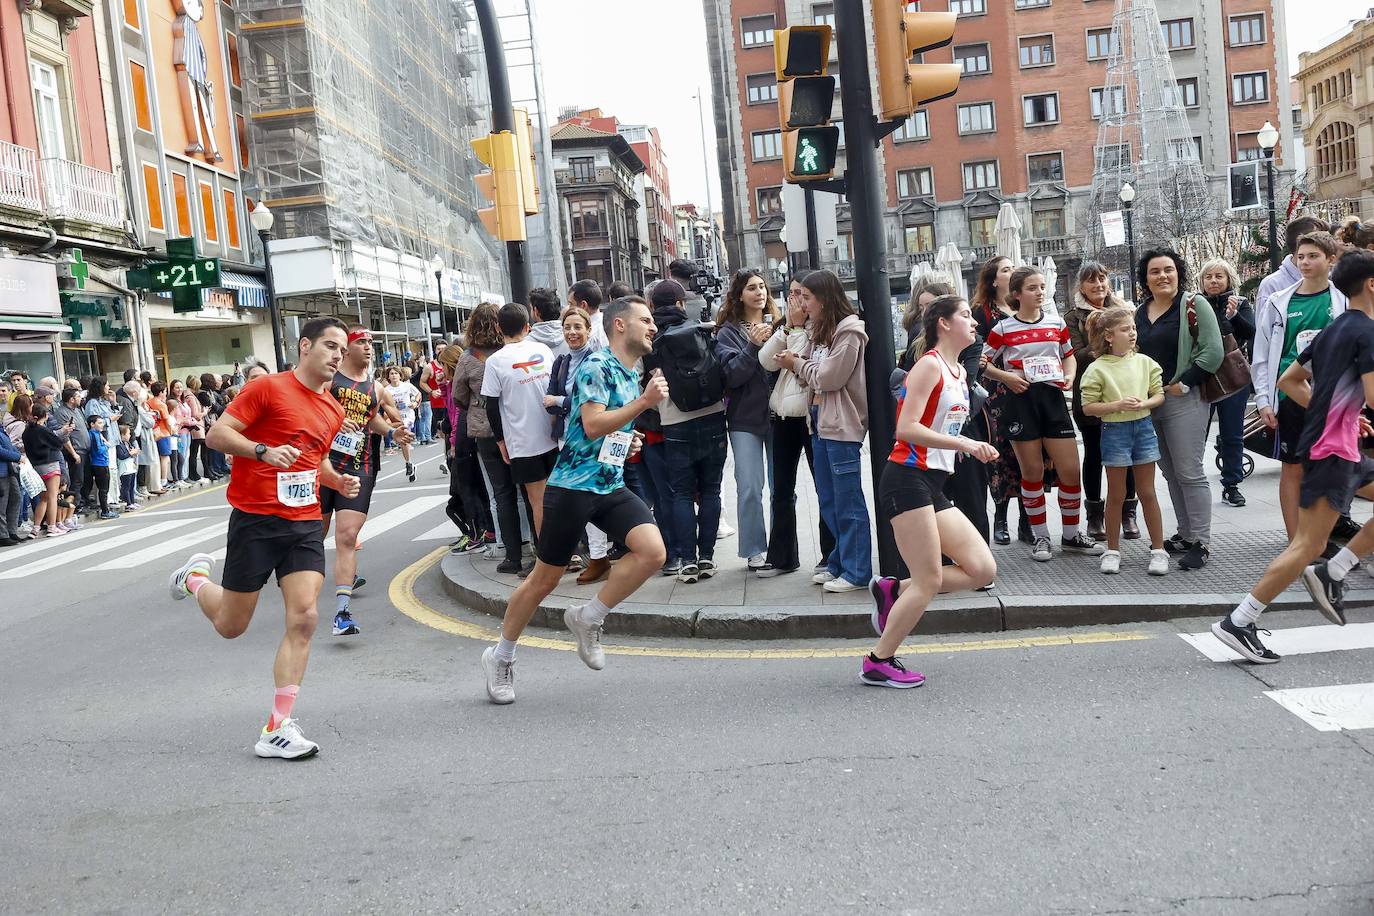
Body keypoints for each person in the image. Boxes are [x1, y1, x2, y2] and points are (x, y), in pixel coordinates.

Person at [166, 317, 359, 759]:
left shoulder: (333, 408)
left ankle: (277, 726)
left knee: (306, 617)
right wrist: (263, 451)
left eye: (340, 348)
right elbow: (216, 434)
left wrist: (337, 481)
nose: (336, 355)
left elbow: (317, 461)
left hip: (305, 522)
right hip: (256, 520)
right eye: (329, 345)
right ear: (305, 345)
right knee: (232, 626)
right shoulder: (268, 388)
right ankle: (195, 578)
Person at [481, 297, 670, 705]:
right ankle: (501, 656)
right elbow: (591, 422)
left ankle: (588, 618)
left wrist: (629, 438)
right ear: (620, 324)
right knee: (544, 581)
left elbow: (605, 431)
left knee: (652, 552)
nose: (653, 327)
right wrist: (643, 404)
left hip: (609, 483)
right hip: (572, 488)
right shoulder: (597, 366)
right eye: (646, 320)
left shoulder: (630, 370)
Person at [1213, 249, 1374, 663]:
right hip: (1333, 450)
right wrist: (1344, 416)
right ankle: (1240, 620)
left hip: (1335, 443)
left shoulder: (1335, 329)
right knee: (1306, 544)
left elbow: (1290, 379)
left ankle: (1332, 571)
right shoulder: (1367, 333)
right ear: (1371, 285)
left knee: (1312, 542)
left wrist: (1340, 413)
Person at [864, 295, 998, 688]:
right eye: (966, 316)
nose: (974, 323)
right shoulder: (928, 366)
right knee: (929, 580)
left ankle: (892, 589)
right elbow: (904, 429)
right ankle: (878, 661)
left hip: (931, 483)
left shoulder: (958, 371)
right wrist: (967, 446)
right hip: (906, 478)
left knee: (982, 568)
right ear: (943, 323)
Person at [982, 266, 1102, 562]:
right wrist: (1007, 377)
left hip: (1052, 399)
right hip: (1021, 402)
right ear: (1017, 294)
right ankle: (1041, 537)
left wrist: (1071, 377)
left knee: (1071, 471)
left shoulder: (1056, 322)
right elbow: (983, 362)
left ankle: (1072, 534)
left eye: (1042, 287)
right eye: (1033, 288)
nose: (1040, 292)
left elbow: (1068, 355)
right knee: (1032, 472)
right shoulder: (1003, 328)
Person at [775, 269, 872, 592]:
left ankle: (857, 571)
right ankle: (838, 563)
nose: (802, 303)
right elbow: (814, 375)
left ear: (824, 298)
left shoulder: (850, 330)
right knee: (829, 499)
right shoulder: (822, 330)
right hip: (818, 419)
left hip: (842, 423)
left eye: (806, 296)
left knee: (847, 500)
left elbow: (830, 378)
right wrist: (802, 365)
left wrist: (798, 364)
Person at [1252, 231, 1348, 540]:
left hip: (1335, 399)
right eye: (1300, 256)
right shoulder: (1280, 302)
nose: (1305, 262)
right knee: (1292, 468)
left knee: (1331, 469)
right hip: (1291, 397)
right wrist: (1264, 400)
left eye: (1313, 256)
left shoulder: (1344, 300)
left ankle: (1321, 536)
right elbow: (1262, 354)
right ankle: (1296, 542)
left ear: (1330, 260)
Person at [1134, 249, 1223, 571]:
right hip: (1151, 402)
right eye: (1154, 271)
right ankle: (1185, 534)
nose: (1162, 276)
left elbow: (1212, 351)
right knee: (1170, 472)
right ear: (1145, 278)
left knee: (1189, 471)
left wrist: (1183, 383)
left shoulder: (1193, 304)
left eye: (1168, 270)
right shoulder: (1139, 312)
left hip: (1184, 398)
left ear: (1178, 272)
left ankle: (1201, 541)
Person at [320, 326, 411, 637]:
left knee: (346, 536)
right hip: (321, 466)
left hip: (359, 467)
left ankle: (342, 611)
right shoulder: (329, 380)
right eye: (362, 342)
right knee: (312, 535)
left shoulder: (374, 387)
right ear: (347, 349)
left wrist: (391, 432)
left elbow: (371, 417)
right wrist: (332, 421)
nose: (369, 347)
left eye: (371, 342)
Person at [646, 279, 727, 583]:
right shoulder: (702, 330)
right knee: (711, 490)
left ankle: (686, 561)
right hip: (713, 417)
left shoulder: (652, 341)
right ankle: (707, 557)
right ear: (681, 303)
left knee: (680, 492)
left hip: (674, 421)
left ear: (653, 306)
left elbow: (647, 391)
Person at [1078, 306, 1169, 575]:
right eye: (1125, 329)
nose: (1132, 333)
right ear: (1108, 336)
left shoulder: (1145, 362)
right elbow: (1088, 407)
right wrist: (1117, 405)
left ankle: (1158, 549)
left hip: (1142, 427)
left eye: (1133, 328)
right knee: (1116, 494)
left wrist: (1144, 403)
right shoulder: (1097, 368)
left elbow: (1159, 395)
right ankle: (1112, 550)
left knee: (1147, 492)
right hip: (1114, 431)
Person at [758, 272, 836, 576]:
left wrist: (799, 329)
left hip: (812, 417)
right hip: (783, 416)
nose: (796, 301)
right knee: (780, 489)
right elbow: (766, 360)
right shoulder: (789, 326)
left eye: (801, 295)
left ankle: (830, 555)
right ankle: (782, 556)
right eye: (791, 294)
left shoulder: (827, 327)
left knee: (823, 488)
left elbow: (803, 362)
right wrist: (789, 326)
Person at [455, 304, 532, 571]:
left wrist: (477, 404)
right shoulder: (511, 352)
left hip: (486, 431)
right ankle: (534, 543)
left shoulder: (468, 358)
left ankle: (511, 554)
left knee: (500, 492)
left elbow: (458, 397)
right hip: (516, 425)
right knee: (528, 489)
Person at [715, 268, 781, 570]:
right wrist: (753, 345)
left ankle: (782, 546)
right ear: (739, 295)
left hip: (779, 415)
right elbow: (732, 376)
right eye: (752, 288)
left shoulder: (779, 325)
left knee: (782, 487)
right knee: (750, 487)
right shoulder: (728, 332)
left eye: (762, 287)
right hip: (744, 418)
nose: (760, 292)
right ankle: (754, 548)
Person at [1066, 262, 1135, 541]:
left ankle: (1128, 514)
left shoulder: (1123, 309)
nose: (1099, 285)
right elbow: (1074, 353)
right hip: (1092, 392)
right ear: (1081, 286)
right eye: (1091, 281)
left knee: (1127, 455)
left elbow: (1134, 344)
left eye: (1102, 279)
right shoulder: (1074, 317)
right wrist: (1105, 349)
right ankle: (1095, 516)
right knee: (1094, 453)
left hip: (1123, 388)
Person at [481, 303, 559, 544]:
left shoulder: (494, 362)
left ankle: (549, 557)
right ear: (528, 326)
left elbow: (491, 406)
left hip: (522, 442)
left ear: (497, 328)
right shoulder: (544, 350)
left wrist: (501, 442)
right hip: (554, 435)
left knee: (538, 502)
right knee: (558, 498)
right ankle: (570, 551)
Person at [545, 306, 613, 583]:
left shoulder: (597, 360)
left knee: (593, 496)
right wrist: (562, 403)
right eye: (567, 328)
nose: (572, 332)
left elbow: (593, 402)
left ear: (588, 329)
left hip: (592, 438)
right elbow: (548, 401)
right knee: (577, 499)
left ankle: (600, 556)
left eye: (577, 327)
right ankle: (595, 555)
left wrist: (562, 402)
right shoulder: (561, 362)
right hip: (567, 438)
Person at [971, 256, 1026, 545]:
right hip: (996, 392)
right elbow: (977, 357)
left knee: (1029, 454)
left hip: (1027, 389)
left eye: (1014, 268)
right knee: (1001, 453)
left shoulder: (1026, 307)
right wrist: (1004, 377)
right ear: (993, 280)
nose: (1012, 272)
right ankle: (1001, 518)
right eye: (1006, 269)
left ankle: (1028, 520)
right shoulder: (981, 313)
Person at [1197, 258, 1256, 508]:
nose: (1214, 281)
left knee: (1232, 434)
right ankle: (1195, 485)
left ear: (1229, 279)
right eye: (1209, 277)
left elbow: (1251, 332)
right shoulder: (1194, 305)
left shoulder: (1240, 303)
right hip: (1203, 375)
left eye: (1219, 276)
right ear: (1201, 281)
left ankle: (1231, 485)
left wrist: (1231, 317)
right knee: (1197, 434)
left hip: (1233, 377)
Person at [382, 366, 421, 481]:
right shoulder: (386, 390)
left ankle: (409, 463)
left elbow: (418, 394)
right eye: (391, 374)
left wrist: (414, 403)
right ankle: (409, 463)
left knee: (404, 436)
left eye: (396, 373)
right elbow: (383, 404)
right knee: (403, 441)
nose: (394, 375)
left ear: (400, 375)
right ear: (388, 376)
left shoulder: (407, 386)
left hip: (407, 415)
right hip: (395, 417)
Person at [85, 414, 116, 520]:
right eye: (99, 423)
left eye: (102, 422)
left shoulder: (97, 434)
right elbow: (98, 449)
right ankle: (105, 511)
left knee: (103, 489)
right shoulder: (94, 434)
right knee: (103, 489)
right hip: (100, 463)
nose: (102, 425)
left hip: (100, 462)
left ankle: (105, 509)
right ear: (92, 424)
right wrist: (107, 445)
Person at [567, 279, 609, 351]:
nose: (569, 309)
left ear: (583, 305)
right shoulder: (610, 323)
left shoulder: (587, 335)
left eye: (571, 304)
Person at [0, 418, 20, 546]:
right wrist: (17, 456)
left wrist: (18, 454)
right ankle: (2, 535)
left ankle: (11, 531)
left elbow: (9, 446)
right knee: (1, 504)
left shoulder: (2, 430)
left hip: (8, 469)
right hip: (1, 472)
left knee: (15, 497)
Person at [116, 423, 141, 510]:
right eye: (128, 433)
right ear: (122, 435)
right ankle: (127, 502)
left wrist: (134, 451)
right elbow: (121, 456)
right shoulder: (119, 445)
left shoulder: (127, 443)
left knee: (131, 486)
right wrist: (131, 453)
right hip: (125, 469)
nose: (129, 435)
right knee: (126, 486)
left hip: (131, 468)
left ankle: (132, 501)